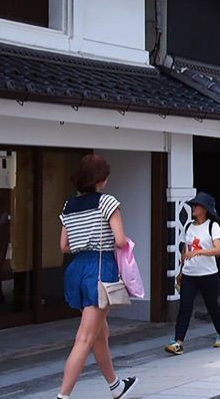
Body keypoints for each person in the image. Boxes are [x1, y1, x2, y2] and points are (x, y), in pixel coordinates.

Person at [56, 154, 136, 399]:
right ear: (101, 179)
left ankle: (116, 386)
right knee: (85, 337)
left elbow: (64, 246)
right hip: (100, 269)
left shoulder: (69, 205)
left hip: (77, 269)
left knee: (100, 332)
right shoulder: (108, 202)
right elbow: (120, 240)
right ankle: (62, 396)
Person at [164, 191, 220, 355]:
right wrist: (181, 271)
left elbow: (218, 250)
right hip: (190, 273)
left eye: (197, 205)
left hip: (208, 273)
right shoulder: (189, 226)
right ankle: (178, 341)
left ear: (205, 209)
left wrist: (198, 253)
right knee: (185, 307)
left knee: (211, 305)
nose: (194, 208)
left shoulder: (212, 226)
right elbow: (185, 249)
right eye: (194, 205)